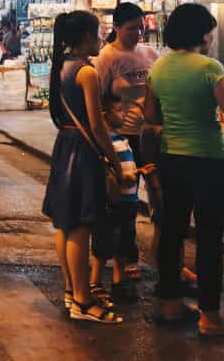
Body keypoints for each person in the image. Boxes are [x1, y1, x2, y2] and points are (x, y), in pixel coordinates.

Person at [145, 3, 224, 338]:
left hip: (172, 159)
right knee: (210, 239)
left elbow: (151, 116)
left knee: (173, 233)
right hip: (207, 161)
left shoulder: (158, 68)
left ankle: (169, 304)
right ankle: (210, 318)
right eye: (210, 30)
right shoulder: (209, 68)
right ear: (201, 33)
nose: (213, 36)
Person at [40, 10, 130, 324]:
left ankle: (70, 290)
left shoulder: (62, 67)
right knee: (81, 224)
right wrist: (115, 161)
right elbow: (97, 124)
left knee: (66, 223)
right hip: (83, 149)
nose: (101, 37)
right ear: (85, 38)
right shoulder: (86, 73)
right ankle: (82, 299)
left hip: (65, 145)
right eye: (97, 32)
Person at [91, 2, 158, 281]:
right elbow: (98, 97)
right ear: (116, 28)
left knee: (159, 195)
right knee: (126, 203)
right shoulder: (107, 58)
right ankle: (127, 258)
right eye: (131, 28)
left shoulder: (150, 54)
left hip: (150, 135)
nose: (137, 34)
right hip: (122, 139)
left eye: (141, 28)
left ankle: (165, 257)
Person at [89, 93, 147, 306]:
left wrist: (139, 170)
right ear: (105, 114)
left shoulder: (122, 139)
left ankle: (118, 279)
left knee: (125, 240)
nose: (124, 114)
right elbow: (111, 173)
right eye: (119, 110)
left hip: (129, 202)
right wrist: (128, 177)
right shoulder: (106, 143)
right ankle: (95, 282)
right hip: (114, 201)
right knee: (104, 240)